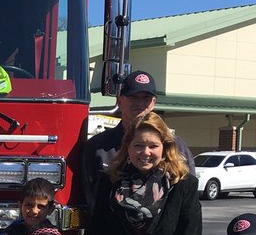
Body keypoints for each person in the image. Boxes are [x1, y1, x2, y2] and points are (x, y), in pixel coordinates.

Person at [80, 70, 195, 208]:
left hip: (164, 227)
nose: (140, 103)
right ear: (119, 101)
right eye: (134, 97)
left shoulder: (175, 145)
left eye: (146, 98)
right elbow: (87, 197)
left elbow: (188, 199)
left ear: (153, 103)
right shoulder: (98, 147)